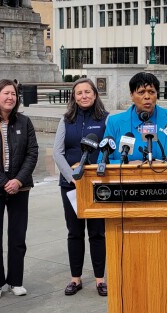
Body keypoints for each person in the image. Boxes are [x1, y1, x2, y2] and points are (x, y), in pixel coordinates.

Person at [0, 79, 39, 299]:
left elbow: (32, 153)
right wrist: (2, 181)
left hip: (20, 190)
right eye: (6, 93)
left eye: (13, 94)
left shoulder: (24, 122)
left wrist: (18, 181)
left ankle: (15, 281)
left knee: (18, 236)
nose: (10, 97)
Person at [52, 78, 109, 296]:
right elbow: (57, 152)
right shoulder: (66, 120)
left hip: (97, 186)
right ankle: (75, 279)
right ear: (73, 97)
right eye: (79, 93)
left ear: (95, 94)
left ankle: (100, 279)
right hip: (71, 184)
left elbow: (108, 150)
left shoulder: (105, 119)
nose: (83, 96)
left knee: (97, 233)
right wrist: (72, 177)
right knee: (74, 232)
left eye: (87, 92)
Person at [102, 72, 167, 164]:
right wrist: (127, 165)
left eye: (151, 92)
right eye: (141, 92)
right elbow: (102, 161)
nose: (147, 96)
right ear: (132, 95)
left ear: (157, 94)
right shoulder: (114, 122)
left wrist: (162, 164)